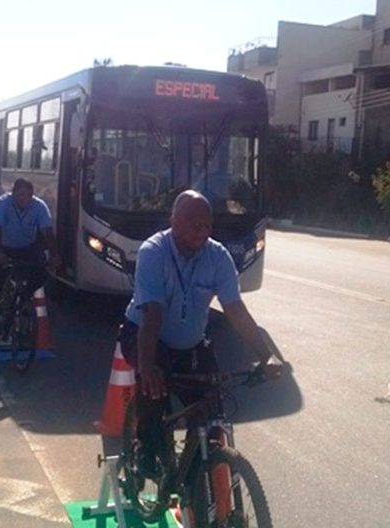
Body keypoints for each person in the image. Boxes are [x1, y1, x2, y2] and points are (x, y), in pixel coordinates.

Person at [119, 190, 283, 478]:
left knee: (210, 405)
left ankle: (199, 477)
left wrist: (266, 356)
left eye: (207, 224)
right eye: (194, 223)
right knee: (155, 385)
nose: (202, 230)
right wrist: (147, 366)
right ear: (174, 221)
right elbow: (152, 314)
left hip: (190, 342)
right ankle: (146, 447)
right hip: (145, 334)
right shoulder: (153, 252)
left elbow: (236, 311)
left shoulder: (217, 257)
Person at [0, 178, 60, 335]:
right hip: (4, 245)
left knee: (43, 272)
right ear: (12, 194)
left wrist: (54, 255)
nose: (25, 198)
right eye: (20, 195)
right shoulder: (2, 203)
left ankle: (24, 297)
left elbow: (47, 233)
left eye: (28, 195)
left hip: (26, 247)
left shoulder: (39, 206)